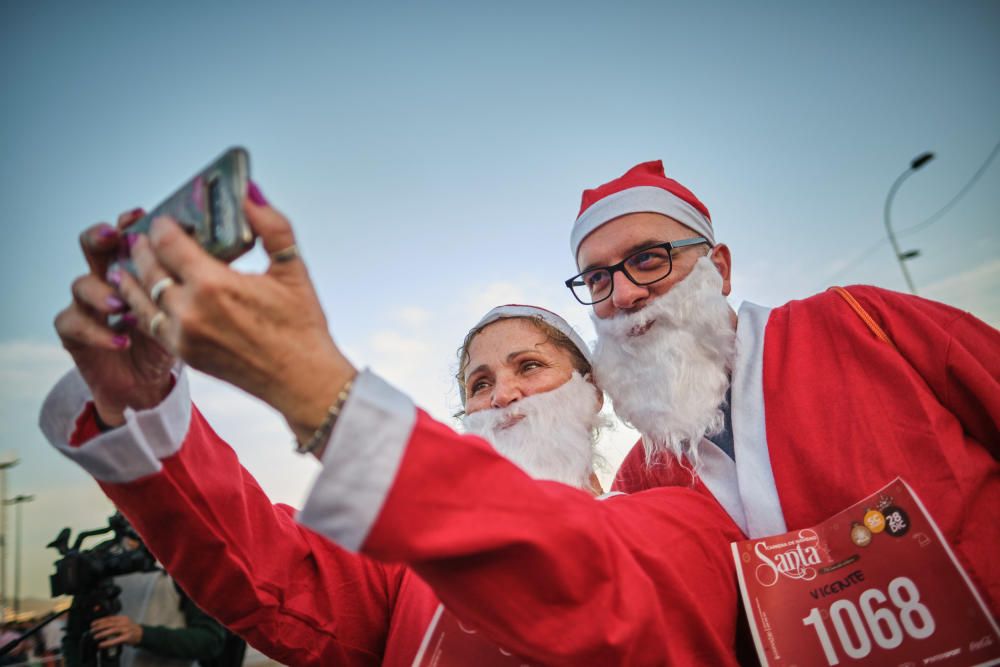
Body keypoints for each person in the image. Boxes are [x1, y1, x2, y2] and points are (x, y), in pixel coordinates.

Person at [42, 212, 746, 667]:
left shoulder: (678, 513)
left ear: (592, 391)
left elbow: (585, 585)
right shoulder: (410, 568)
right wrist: (139, 407)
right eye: (478, 382)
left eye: (529, 366)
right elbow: (267, 571)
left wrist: (315, 388)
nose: (501, 395)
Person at [564, 159, 999, 617]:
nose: (623, 295)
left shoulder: (861, 321)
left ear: (719, 267)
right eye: (597, 278)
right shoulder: (640, 479)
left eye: (647, 259)